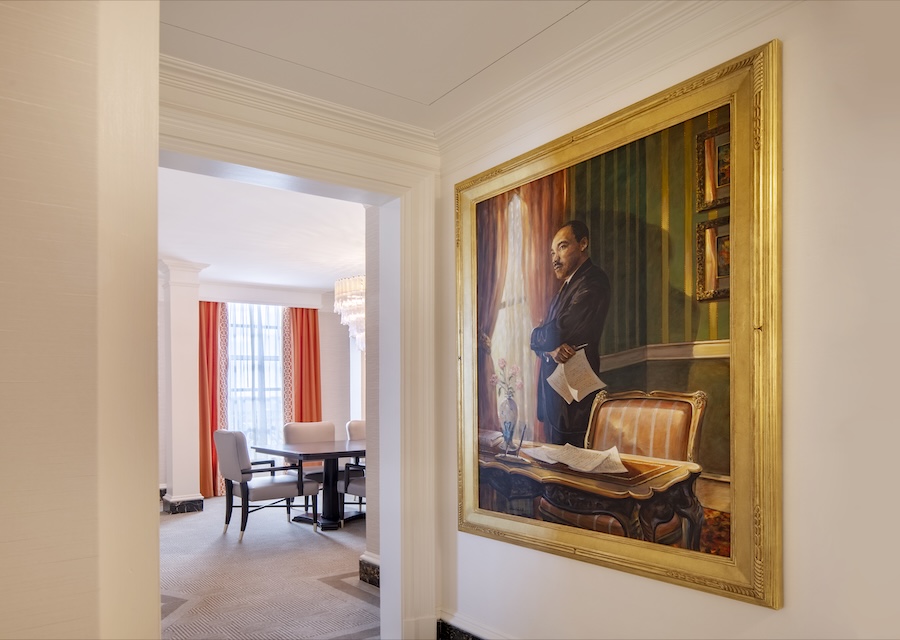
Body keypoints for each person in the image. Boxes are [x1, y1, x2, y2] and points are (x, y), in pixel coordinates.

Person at [530, 220, 611, 446]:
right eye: (552, 252)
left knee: (572, 471)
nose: (555, 258)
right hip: (554, 401)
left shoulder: (593, 281)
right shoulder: (565, 288)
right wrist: (550, 349)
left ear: (583, 244)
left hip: (574, 401)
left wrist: (536, 336)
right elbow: (551, 339)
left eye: (563, 247)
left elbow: (560, 329)